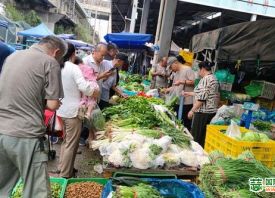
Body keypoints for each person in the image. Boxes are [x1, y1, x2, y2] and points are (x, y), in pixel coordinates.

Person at [0, 36, 67, 197]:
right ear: (56, 52)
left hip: (2, 131)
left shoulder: (13, 56)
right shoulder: (49, 62)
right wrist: (55, 102)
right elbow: (52, 104)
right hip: (26, 135)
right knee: (36, 191)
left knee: (3, 187)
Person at [57, 43, 99, 178]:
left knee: (66, 141)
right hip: (72, 112)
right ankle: (65, 175)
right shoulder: (73, 68)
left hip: (60, 110)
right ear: (73, 53)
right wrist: (95, 90)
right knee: (71, 144)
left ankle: (61, 167)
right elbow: (85, 88)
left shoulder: (57, 66)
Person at [183, 61, 219, 147]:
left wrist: (192, 110)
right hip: (210, 112)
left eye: (199, 70)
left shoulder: (206, 79)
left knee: (197, 137)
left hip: (203, 112)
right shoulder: (214, 78)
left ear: (202, 69)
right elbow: (202, 93)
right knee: (203, 136)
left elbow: (202, 98)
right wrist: (188, 93)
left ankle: (196, 155)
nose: (199, 73)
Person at [164, 56, 195, 130]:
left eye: (171, 67)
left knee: (185, 122)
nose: (171, 70)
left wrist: (181, 82)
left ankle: (186, 136)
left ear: (175, 63)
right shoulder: (177, 72)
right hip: (178, 100)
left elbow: (193, 82)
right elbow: (175, 85)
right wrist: (167, 89)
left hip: (187, 101)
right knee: (177, 120)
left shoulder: (187, 69)